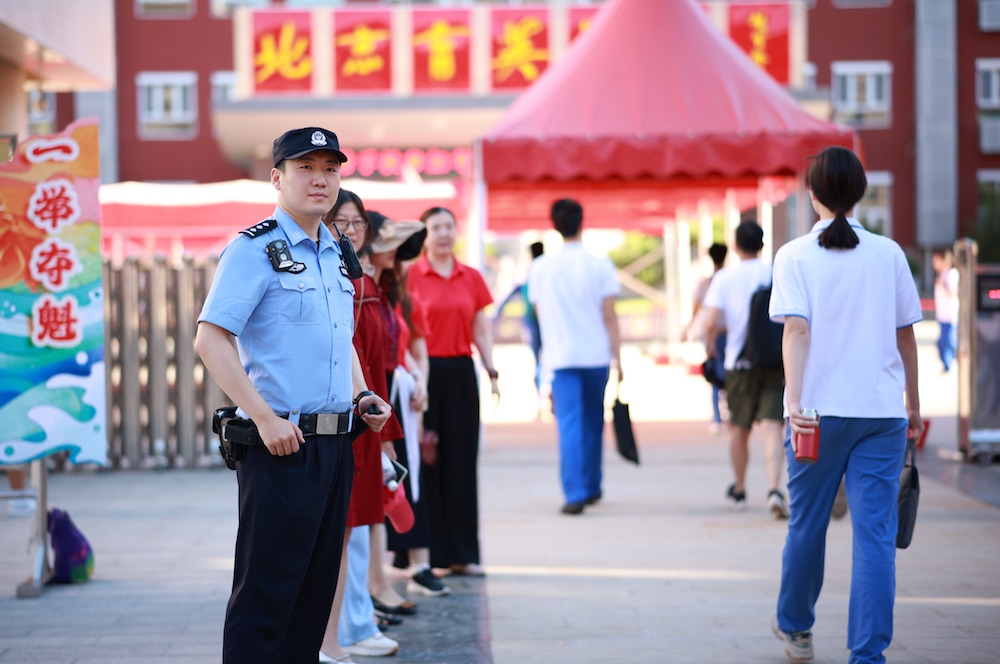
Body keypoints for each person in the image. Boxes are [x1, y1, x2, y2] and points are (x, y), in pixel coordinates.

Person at [194, 127, 391, 663]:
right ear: (277, 177)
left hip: (335, 445)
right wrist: (262, 419)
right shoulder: (254, 248)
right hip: (280, 445)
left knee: (313, 593)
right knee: (267, 595)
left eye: (330, 169)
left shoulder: (336, 250)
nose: (320, 180)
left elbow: (339, 337)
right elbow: (211, 339)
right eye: (306, 168)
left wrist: (361, 394)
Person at [769, 145, 923, 663]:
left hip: (816, 415)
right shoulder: (890, 254)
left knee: (807, 523)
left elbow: (796, 330)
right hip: (882, 415)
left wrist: (795, 404)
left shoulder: (793, 255)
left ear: (812, 195)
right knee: (875, 535)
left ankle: (797, 629)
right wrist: (914, 405)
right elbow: (906, 339)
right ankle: (867, 654)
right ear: (857, 194)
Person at [320, 190, 403, 661]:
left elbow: (370, 360)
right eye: (341, 222)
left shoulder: (362, 284)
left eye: (357, 223)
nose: (349, 231)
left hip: (364, 416)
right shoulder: (348, 285)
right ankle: (344, 628)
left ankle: (353, 623)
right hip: (335, 422)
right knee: (343, 530)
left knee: (356, 526)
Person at [406, 206, 497, 579]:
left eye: (448, 227)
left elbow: (481, 329)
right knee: (426, 460)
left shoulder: (471, 276)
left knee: (462, 462)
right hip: (423, 375)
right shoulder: (411, 275)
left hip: (460, 373)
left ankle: (463, 553)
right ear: (424, 235)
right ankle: (429, 556)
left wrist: (491, 370)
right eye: (436, 228)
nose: (443, 233)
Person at [366, 214, 446, 604]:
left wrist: (420, 383)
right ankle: (378, 582)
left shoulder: (391, 292)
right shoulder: (362, 289)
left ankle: (412, 566)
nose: (395, 250)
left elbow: (409, 347)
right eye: (387, 241)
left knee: (401, 479)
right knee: (386, 483)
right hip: (377, 396)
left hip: (399, 392)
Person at [528, 199, 622, 516]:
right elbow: (610, 315)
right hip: (596, 355)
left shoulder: (541, 267)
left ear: (554, 224)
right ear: (582, 221)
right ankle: (592, 484)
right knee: (594, 421)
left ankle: (575, 492)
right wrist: (618, 357)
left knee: (569, 424)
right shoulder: (600, 264)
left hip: (561, 356)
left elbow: (539, 314)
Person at [703, 221, 788, 519]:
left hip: (739, 363)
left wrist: (710, 346)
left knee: (739, 428)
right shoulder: (777, 272)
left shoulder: (725, 277)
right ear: (763, 245)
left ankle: (739, 488)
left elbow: (711, 321)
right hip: (776, 361)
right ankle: (775, 487)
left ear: (736, 246)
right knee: (773, 426)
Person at [684, 242, 729, 434]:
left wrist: (688, 327)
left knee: (713, 375)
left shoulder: (706, 284)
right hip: (730, 333)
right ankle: (731, 412)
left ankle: (717, 418)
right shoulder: (729, 279)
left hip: (712, 334)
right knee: (730, 374)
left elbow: (697, 309)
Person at [492, 241, 545, 393]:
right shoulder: (535, 274)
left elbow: (508, 296)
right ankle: (542, 392)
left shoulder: (530, 275)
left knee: (538, 359)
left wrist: (496, 315)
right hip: (537, 322)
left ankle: (541, 392)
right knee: (543, 359)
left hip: (535, 321)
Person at [932, 248, 959, 373]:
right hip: (942, 315)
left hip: (950, 315)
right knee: (941, 342)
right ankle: (947, 363)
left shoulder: (951, 274)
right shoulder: (940, 276)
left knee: (948, 341)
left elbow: (953, 293)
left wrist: (943, 284)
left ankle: (949, 364)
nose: (934, 263)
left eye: (937, 260)